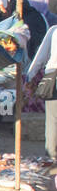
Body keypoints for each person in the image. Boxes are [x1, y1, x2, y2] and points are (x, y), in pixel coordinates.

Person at [26, 21, 57, 157]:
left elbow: (41, 56)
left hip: (53, 78)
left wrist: (29, 77)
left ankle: (52, 156)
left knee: (53, 120)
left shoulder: (54, 30)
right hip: (53, 79)